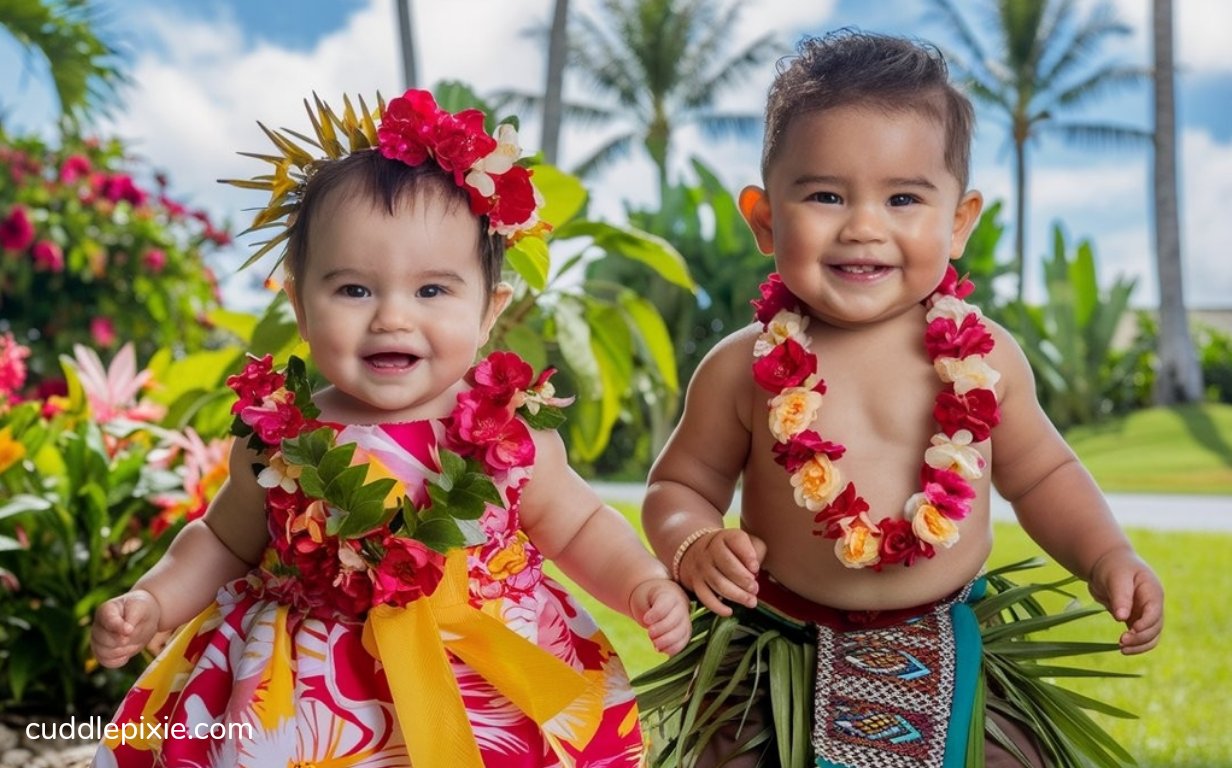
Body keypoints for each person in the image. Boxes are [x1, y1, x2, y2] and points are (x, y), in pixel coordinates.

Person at [89, 89, 691, 768]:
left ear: (490, 310)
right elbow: (222, 541)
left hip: (485, 692)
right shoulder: (279, 440)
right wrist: (155, 598)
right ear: (298, 303)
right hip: (307, 700)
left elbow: (578, 527)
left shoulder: (509, 439)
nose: (391, 318)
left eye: (432, 291)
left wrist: (640, 581)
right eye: (354, 290)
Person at [635, 29, 1164, 768]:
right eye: (825, 195)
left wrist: (1107, 554)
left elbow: (1043, 475)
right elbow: (678, 484)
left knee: (1013, 757)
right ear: (764, 218)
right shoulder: (742, 368)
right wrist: (693, 541)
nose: (863, 227)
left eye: (904, 198)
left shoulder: (985, 357)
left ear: (958, 221)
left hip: (945, 636)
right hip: (780, 647)